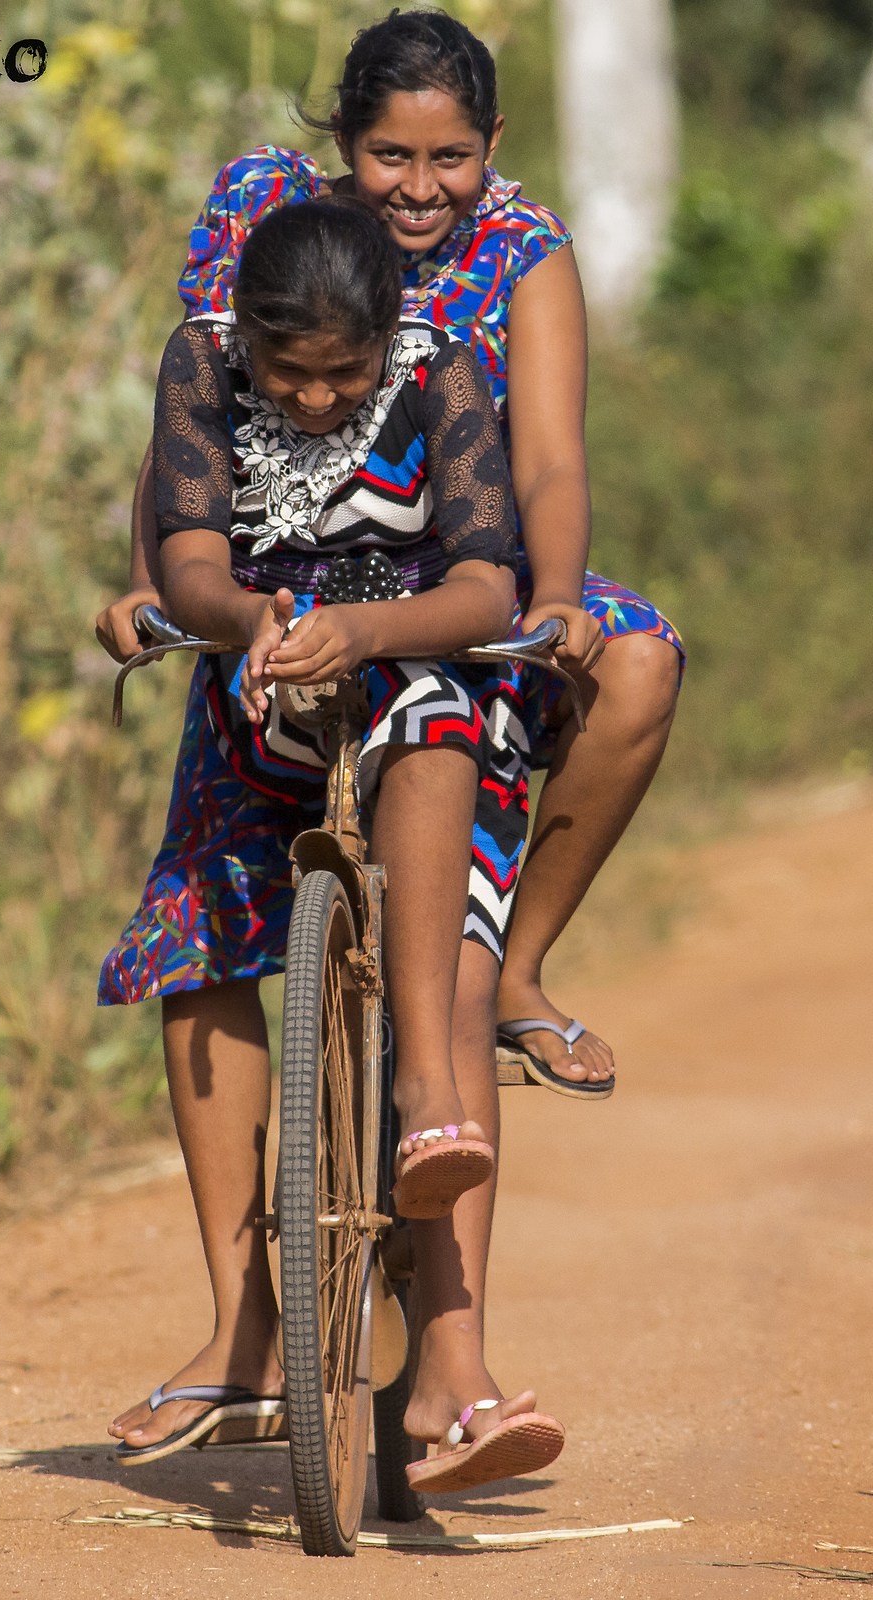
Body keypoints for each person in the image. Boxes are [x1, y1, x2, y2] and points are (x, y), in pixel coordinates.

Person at [96, 8, 683, 1099]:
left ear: (494, 143)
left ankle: (514, 966)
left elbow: (549, 462)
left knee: (640, 659)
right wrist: (154, 578)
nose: (420, 187)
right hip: (271, 585)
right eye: (390, 156)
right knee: (199, 929)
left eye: (450, 157)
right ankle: (247, 1265)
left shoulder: (523, 251)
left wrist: (554, 597)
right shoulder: (268, 216)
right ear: (343, 146)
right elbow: (188, 423)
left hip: (458, 580)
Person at [99, 196, 563, 1491]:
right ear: (244, 336)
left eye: (340, 375)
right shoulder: (200, 363)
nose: (309, 401)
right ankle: (241, 1325)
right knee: (188, 949)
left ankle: (425, 1099)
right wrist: (251, 619)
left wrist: (362, 633)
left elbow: (485, 585)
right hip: (261, 693)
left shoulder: (442, 372)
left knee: (431, 729)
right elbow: (187, 551)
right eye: (286, 373)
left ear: (388, 343)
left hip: (417, 684)